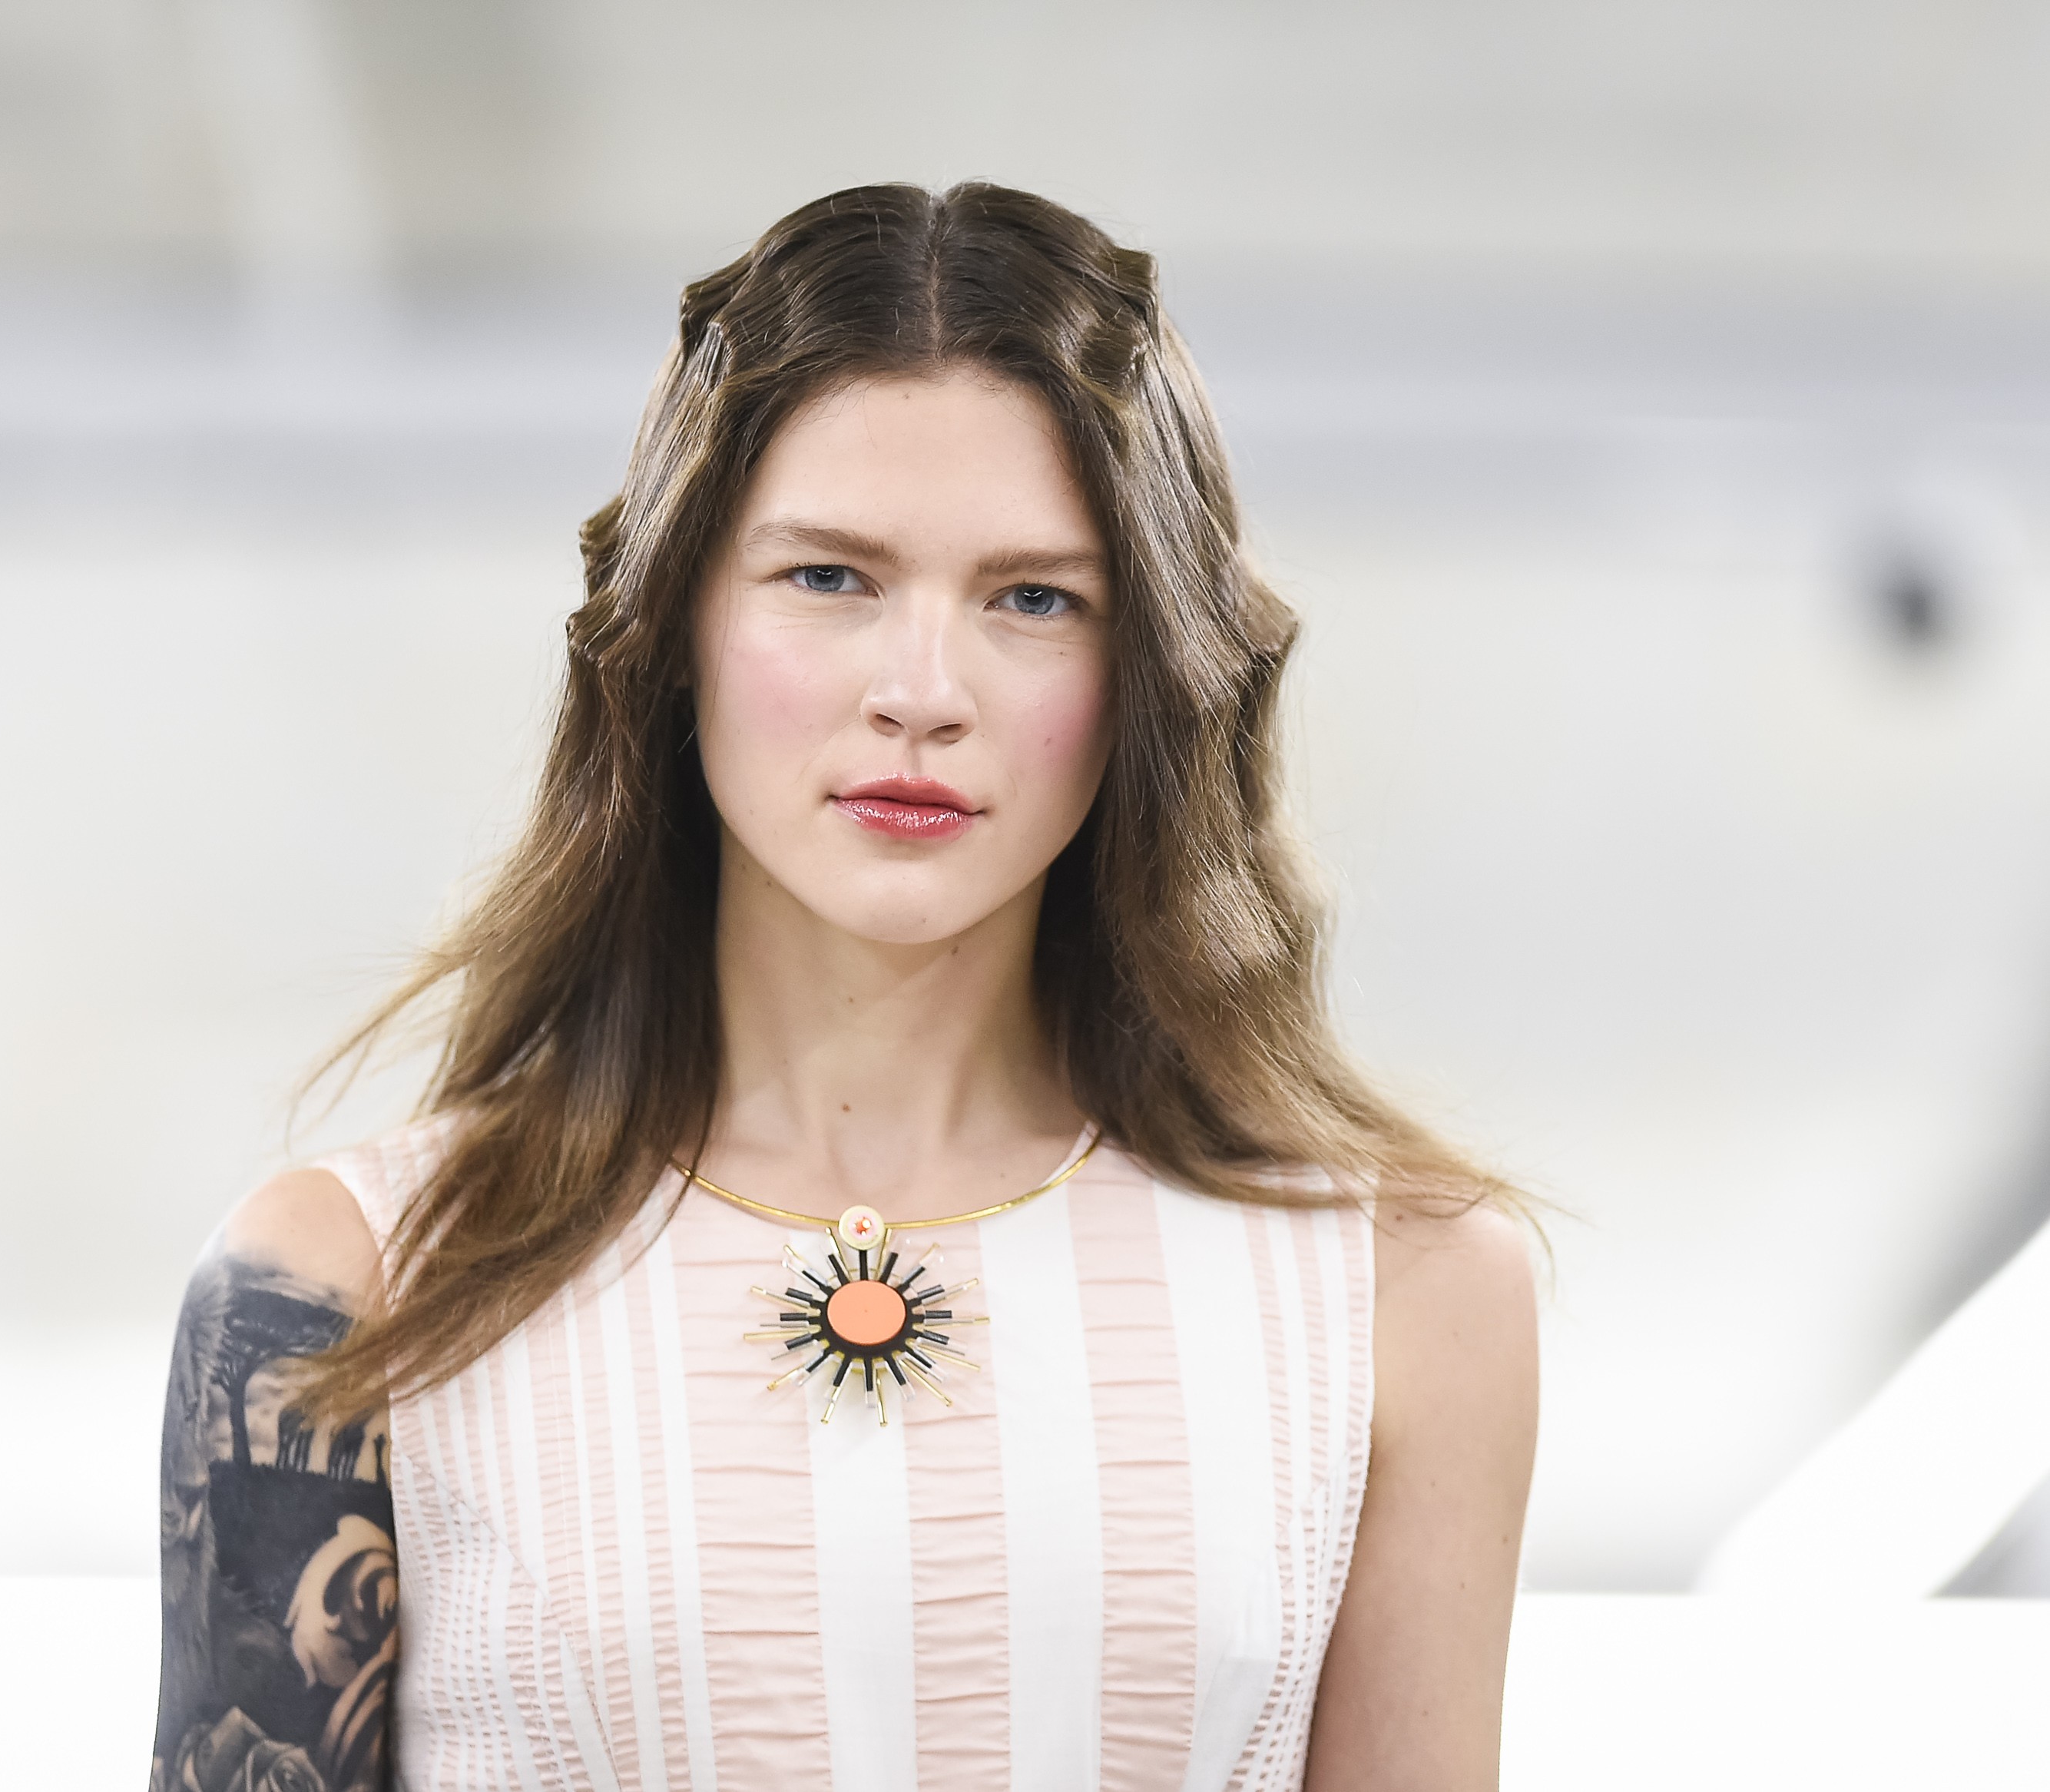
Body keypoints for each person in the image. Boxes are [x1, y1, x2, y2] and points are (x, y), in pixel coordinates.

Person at [151, 181, 1538, 1792]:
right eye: (828, 577)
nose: (921, 693)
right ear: (674, 622)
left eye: (1035, 598)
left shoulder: (1403, 1297)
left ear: (1146, 670)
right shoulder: (346, 1283)